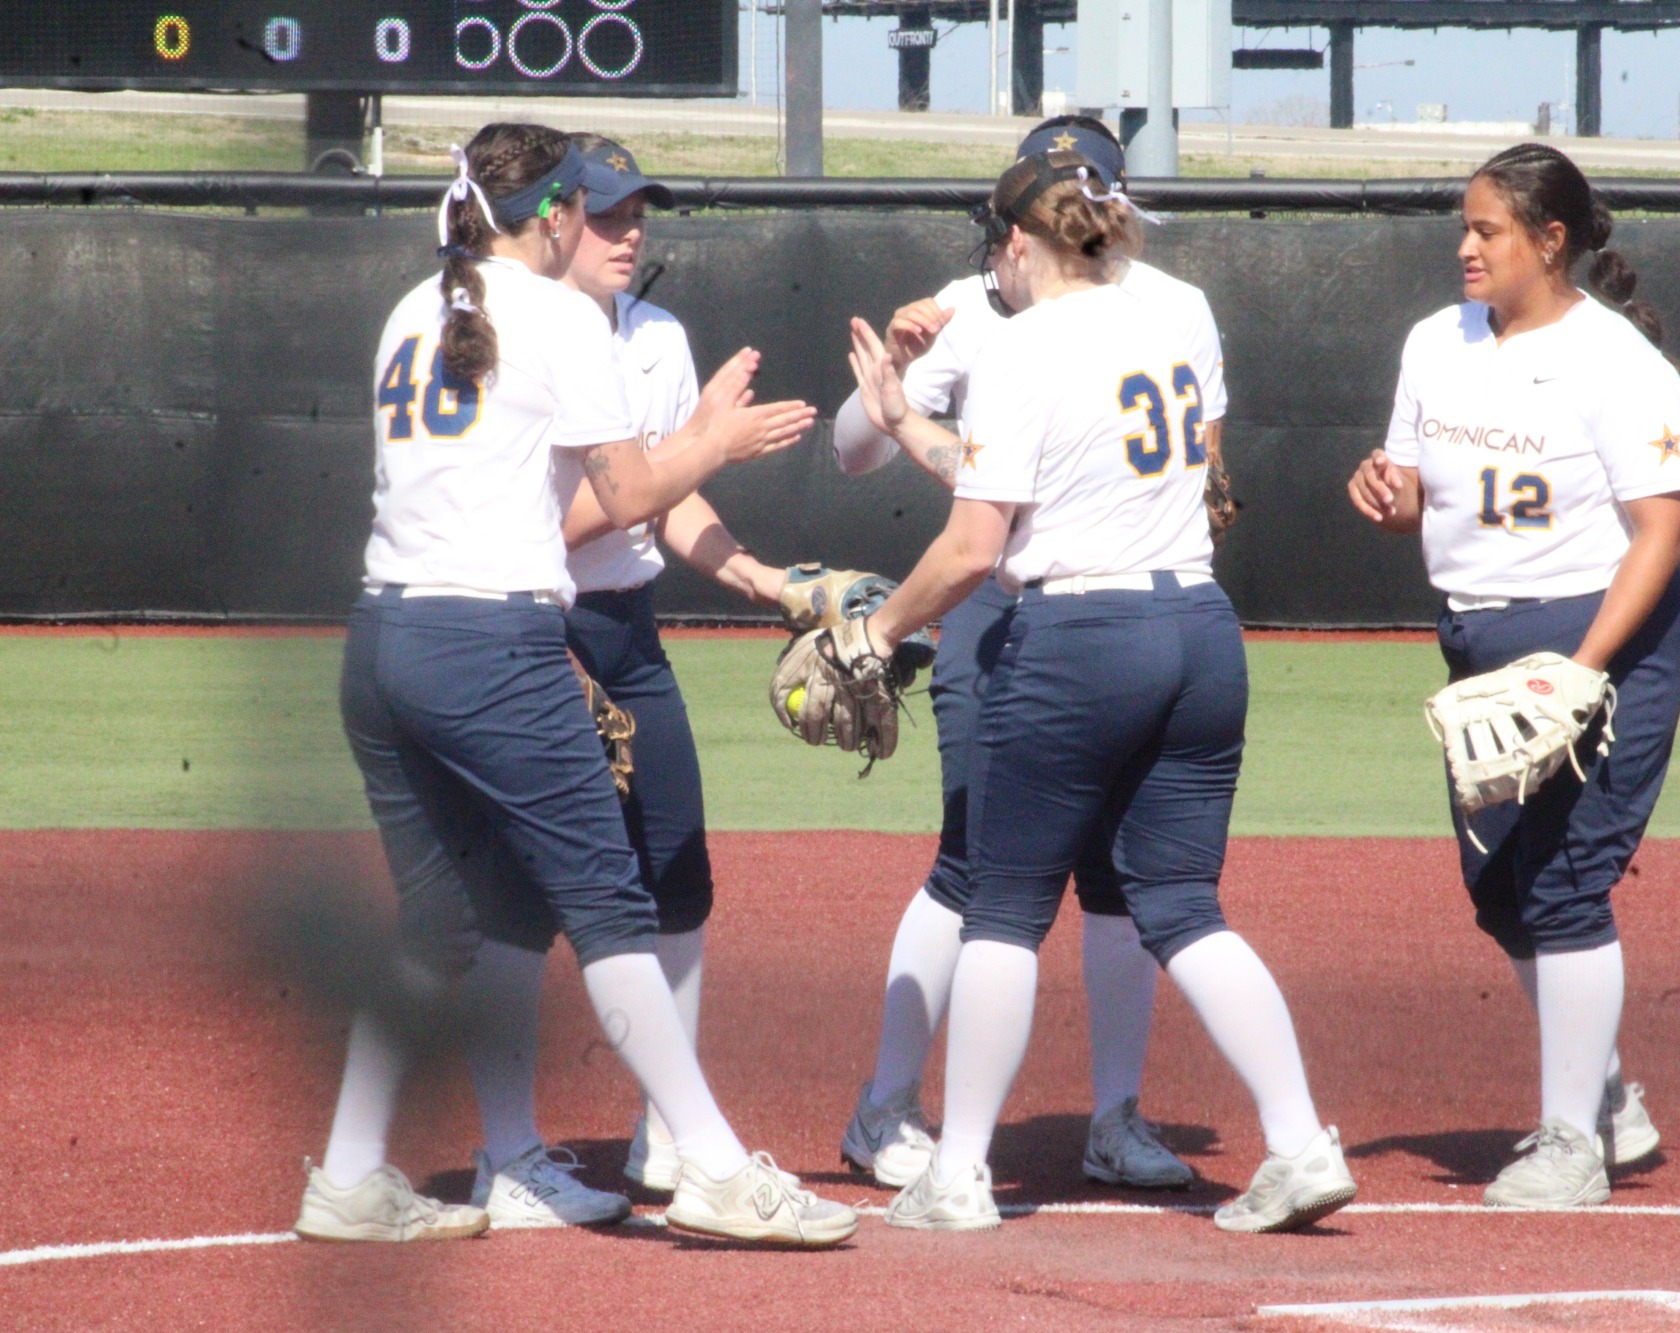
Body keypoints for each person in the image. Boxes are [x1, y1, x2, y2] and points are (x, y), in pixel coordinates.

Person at [295, 121, 856, 1247]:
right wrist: (714, 438)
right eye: (580, 207)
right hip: (491, 644)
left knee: (441, 921)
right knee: (607, 902)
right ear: (551, 215)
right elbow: (637, 482)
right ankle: (707, 1165)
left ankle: (351, 1174)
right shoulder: (556, 314)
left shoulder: (417, 307)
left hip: (384, 641)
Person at [843, 148, 1358, 1234]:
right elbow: (1035, 477)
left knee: (1002, 907)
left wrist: (878, 628)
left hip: (1081, 636)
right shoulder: (1160, 328)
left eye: (1000, 248)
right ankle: (1301, 1140)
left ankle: (960, 1174)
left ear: (1021, 245)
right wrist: (901, 421)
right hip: (1199, 633)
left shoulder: (1025, 346)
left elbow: (976, 546)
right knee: (1180, 906)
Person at [832, 116, 1229, 1192]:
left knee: (1111, 882)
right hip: (1006, 609)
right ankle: (886, 1106)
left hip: (1121, 611)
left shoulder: (1174, 305)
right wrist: (905, 383)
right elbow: (854, 447)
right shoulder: (976, 304)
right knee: (973, 865)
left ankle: (1113, 1115)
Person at [448, 135, 808, 1227]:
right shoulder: (515, 332)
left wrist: (757, 577)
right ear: (554, 221)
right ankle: (504, 1145)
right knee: (519, 903)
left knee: (677, 876)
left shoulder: (654, 338)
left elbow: (666, 505)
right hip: (532, 629)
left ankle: (668, 1132)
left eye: (638, 212)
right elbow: (556, 519)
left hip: (627, 634)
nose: (627, 230)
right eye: (606, 214)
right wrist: (699, 446)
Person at [1347, 142, 1680, 1209]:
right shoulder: (1433, 344)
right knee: (1500, 892)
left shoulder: (1615, 362)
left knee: (1565, 881)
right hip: (1476, 643)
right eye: (1462, 225)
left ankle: (1567, 1145)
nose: (1464, 247)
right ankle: (1606, 1102)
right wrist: (1385, 491)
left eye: (1486, 228)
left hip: (1597, 639)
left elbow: (1661, 529)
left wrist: (1580, 673)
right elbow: (1416, 493)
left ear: (1549, 241)